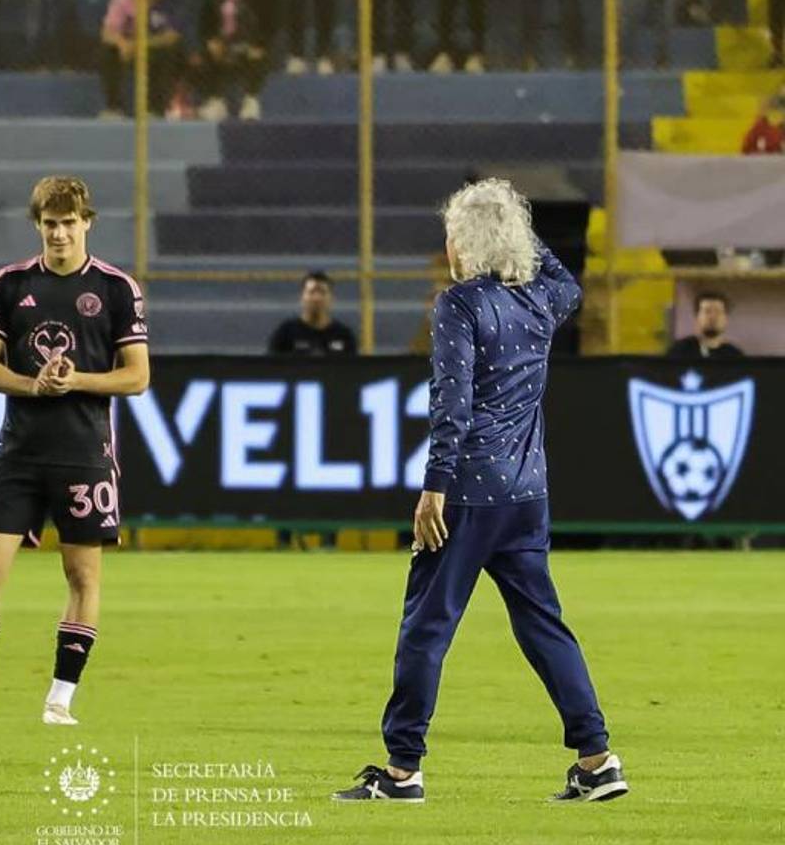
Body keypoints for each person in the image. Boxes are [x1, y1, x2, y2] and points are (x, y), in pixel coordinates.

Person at [333, 179, 628, 804]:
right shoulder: (542, 300)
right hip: (527, 495)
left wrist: (433, 489)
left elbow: (453, 404)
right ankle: (597, 759)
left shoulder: (460, 305)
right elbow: (566, 278)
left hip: (467, 492)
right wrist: (511, 224)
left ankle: (402, 770)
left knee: (426, 629)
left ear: (464, 241)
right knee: (544, 627)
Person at [0, 176, 150, 728]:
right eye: (50, 225)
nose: (60, 234)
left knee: (82, 576)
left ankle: (60, 700)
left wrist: (76, 382)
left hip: (85, 454)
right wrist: (34, 385)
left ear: (87, 222)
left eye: (69, 223)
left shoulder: (117, 289)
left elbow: (136, 378)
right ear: (37, 225)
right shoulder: (10, 283)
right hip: (19, 453)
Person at [98, 0, 185, 119]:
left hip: (154, 48)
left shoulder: (172, 2)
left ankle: (155, 110)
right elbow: (107, 32)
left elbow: (171, 37)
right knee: (108, 51)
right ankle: (113, 108)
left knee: (169, 52)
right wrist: (122, 43)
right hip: (128, 48)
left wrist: (141, 45)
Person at [195, 0, 277, 121]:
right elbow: (205, 22)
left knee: (258, 56)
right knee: (203, 55)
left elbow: (270, 25)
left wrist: (260, 45)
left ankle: (251, 101)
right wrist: (211, 41)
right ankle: (216, 101)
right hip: (223, 43)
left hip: (250, 43)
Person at [267, 270, 357, 356]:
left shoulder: (344, 335)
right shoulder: (285, 333)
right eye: (311, 292)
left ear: (332, 299)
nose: (317, 298)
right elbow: (271, 368)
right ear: (302, 298)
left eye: (322, 292)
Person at [666, 291, 744, 359]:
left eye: (718, 311)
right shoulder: (679, 351)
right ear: (697, 317)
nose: (713, 317)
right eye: (707, 311)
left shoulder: (735, 356)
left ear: (726, 319)